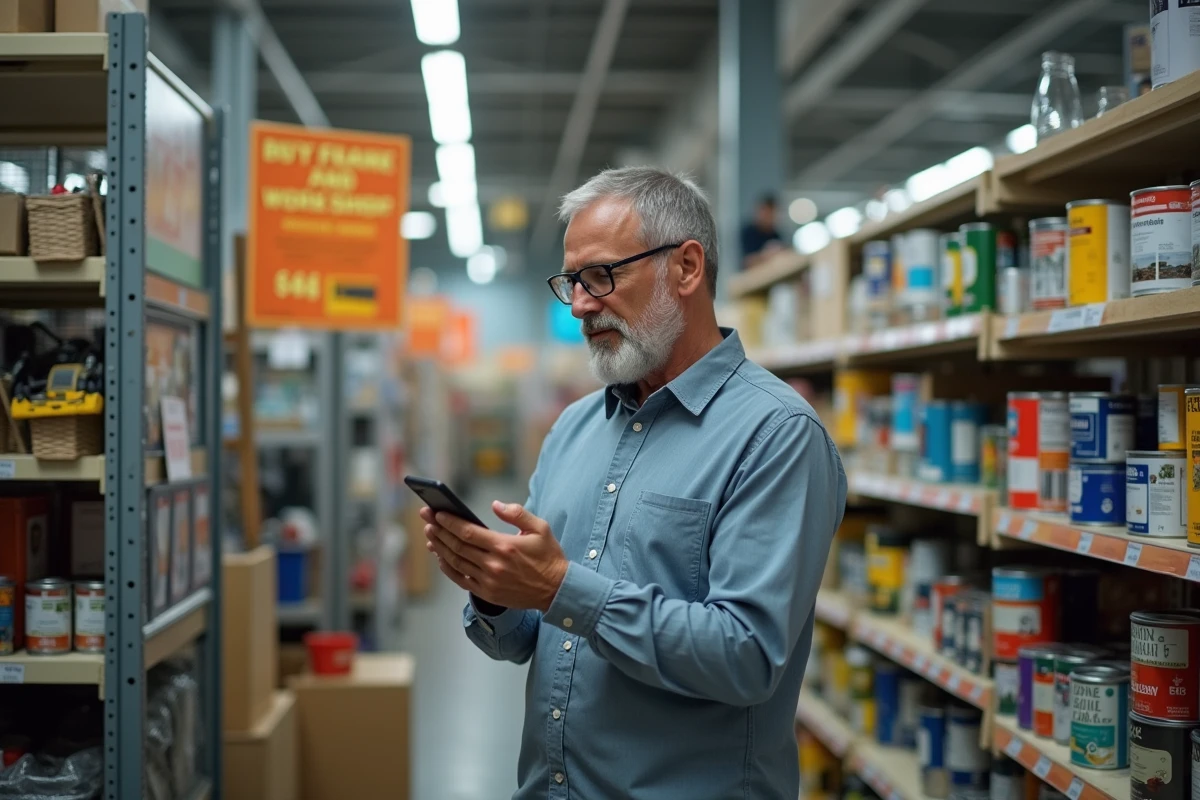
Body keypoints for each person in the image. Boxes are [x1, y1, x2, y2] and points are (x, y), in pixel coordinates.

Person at [421, 166, 846, 800]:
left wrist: (563, 588)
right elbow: (524, 639)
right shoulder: (571, 430)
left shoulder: (776, 435)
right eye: (571, 282)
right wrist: (495, 590)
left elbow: (748, 656)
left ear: (687, 268)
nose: (583, 304)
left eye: (602, 276)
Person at [740, 193, 783, 268]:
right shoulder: (748, 232)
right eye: (766, 212)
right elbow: (746, 262)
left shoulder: (775, 234)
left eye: (771, 213)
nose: (769, 217)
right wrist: (766, 254)